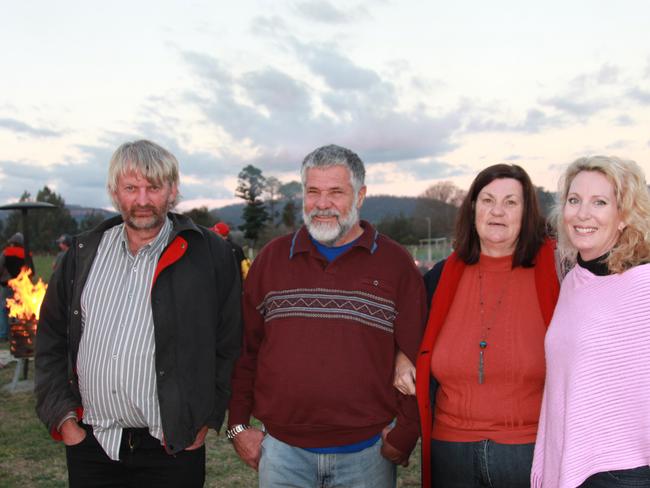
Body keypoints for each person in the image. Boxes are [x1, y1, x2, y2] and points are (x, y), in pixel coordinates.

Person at [34, 140, 242, 487]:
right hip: (92, 445)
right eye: (131, 188)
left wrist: (205, 419)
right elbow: (51, 337)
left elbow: (230, 341)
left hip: (172, 448)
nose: (142, 200)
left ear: (172, 191)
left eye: (154, 187)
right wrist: (65, 421)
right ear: (115, 191)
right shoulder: (84, 254)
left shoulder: (210, 255)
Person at [227, 144, 427, 488]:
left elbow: (419, 354)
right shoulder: (272, 260)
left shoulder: (395, 264)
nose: (322, 204)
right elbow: (246, 349)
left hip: (367, 456)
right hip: (283, 454)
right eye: (313, 192)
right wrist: (239, 426)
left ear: (360, 196)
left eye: (336, 192)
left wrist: (405, 434)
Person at [394, 164, 560, 487]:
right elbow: (406, 325)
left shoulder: (555, 271)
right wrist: (401, 354)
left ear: (527, 213)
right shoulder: (441, 278)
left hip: (528, 450)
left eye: (511, 202)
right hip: (451, 450)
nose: (497, 211)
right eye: (487, 200)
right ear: (473, 209)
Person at [531, 156, 650, 488]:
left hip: (625, 470)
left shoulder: (643, 286)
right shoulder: (575, 281)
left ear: (624, 215)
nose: (582, 214)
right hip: (575, 464)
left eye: (599, 202)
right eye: (574, 200)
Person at [0, 232, 26, 341]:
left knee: (4, 309)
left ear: (12, 243)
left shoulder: (6, 253)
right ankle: (16, 332)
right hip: (21, 286)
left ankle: (4, 334)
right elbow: (31, 270)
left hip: (7, 284)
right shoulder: (26, 253)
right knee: (18, 309)